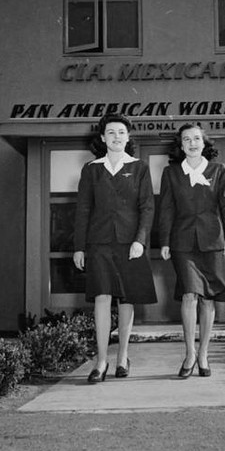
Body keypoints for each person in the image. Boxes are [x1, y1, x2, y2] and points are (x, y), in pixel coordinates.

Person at [73, 114, 157, 383]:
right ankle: (100, 362)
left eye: (121, 132)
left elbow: (147, 207)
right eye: (111, 132)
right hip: (98, 244)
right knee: (101, 297)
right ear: (102, 138)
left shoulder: (140, 168)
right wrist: (79, 247)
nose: (116, 137)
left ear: (128, 137)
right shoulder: (91, 169)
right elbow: (83, 210)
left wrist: (139, 240)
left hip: (130, 244)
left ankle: (122, 356)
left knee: (126, 299)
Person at [159, 124, 225, 378]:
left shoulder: (219, 170)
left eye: (196, 138)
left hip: (212, 241)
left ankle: (203, 353)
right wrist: (164, 241)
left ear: (204, 143)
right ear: (181, 146)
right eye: (186, 139)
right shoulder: (171, 173)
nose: (192, 143)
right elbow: (166, 209)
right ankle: (189, 353)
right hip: (182, 243)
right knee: (189, 294)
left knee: (208, 298)